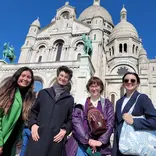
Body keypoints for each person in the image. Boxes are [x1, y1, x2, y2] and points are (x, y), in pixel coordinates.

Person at [25, 66, 74, 156]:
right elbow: (34, 111)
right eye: (61, 75)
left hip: (56, 139)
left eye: (66, 77)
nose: (63, 78)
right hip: (38, 135)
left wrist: (65, 131)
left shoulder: (70, 99)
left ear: (68, 80)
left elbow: (70, 119)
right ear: (57, 76)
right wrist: (33, 125)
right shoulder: (43, 93)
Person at [67, 76, 114, 156]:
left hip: (101, 146)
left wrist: (100, 141)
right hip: (81, 144)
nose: (94, 88)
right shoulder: (80, 103)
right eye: (92, 86)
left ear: (101, 87)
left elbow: (110, 123)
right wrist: (88, 140)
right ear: (88, 88)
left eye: (97, 86)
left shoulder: (107, 104)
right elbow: (76, 123)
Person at [112, 72, 156, 156]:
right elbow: (117, 127)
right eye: (126, 80)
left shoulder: (143, 98)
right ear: (123, 84)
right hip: (120, 148)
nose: (129, 82)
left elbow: (154, 121)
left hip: (137, 147)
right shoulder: (119, 102)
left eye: (133, 80)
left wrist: (134, 121)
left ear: (137, 84)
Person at [0, 67, 34, 156]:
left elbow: (20, 120)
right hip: (2, 139)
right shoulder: (6, 92)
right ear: (17, 76)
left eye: (28, 77)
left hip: (13, 141)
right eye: (23, 76)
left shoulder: (28, 98)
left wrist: (20, 137)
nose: (25, 79)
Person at [19, 92, 37, 156]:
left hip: (24, 128)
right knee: (33, 147)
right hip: (30, 128)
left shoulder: (25, 106)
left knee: (24, 147)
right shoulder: (33, 107)